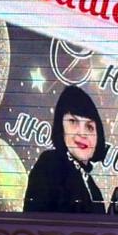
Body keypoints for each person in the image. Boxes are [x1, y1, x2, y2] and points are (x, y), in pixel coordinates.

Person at [22, 85, 107, 215]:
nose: (82, 133)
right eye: (73, 121)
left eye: (89, 127)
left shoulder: (94, 190)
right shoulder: (50, 163)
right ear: (61, 127)